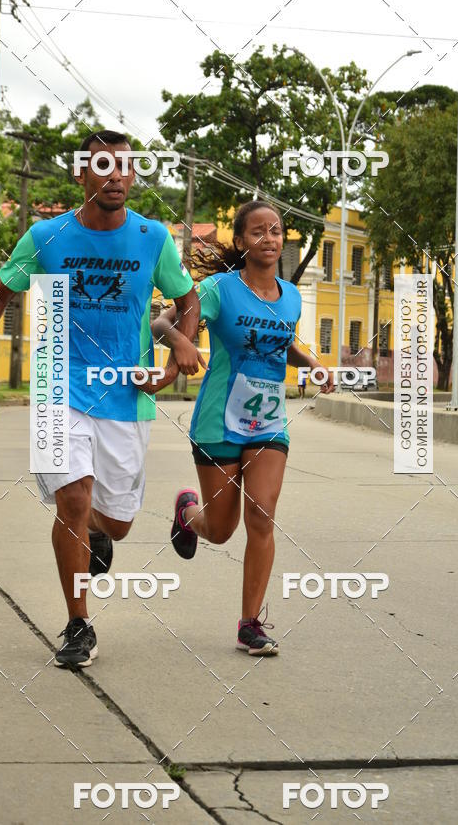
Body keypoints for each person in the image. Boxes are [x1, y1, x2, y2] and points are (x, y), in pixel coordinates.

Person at [0, 130, 201, 670]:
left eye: (125, 167)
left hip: (125, 394)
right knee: (73, 501)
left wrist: (181, 348)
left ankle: (101, 536)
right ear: (80, 174)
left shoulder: (152, 238)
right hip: (58, 384)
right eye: (103, 166)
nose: (116, 176)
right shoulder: (47, 234)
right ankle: (78, 622)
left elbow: (186, 299)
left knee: (117, 522)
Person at [151, 200, 333, 656]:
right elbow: (161, 322)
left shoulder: (290, 296)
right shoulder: (217, 290)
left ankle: (250, 623)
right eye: (258, 231)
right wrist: (181, 343)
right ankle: (186, 514)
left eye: (275, 230)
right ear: (241, 240)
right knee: (220, 528)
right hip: (218, 418)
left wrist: (311, 362)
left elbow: (283, 343)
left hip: (269, 421)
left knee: (262, 516)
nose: (268, 238)